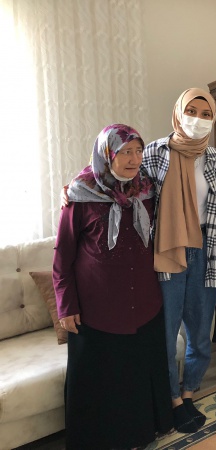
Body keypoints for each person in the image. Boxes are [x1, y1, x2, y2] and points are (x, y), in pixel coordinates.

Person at [53, 124, 173, 449]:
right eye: (125, 152)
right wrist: (66, 306)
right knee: (102, 383)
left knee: (135, 379)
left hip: (144, 305)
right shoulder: (80, 195)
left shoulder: (146, 190)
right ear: (107, 155)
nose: (134, 159)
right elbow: (62, 256)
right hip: (97, 312)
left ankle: (139, 436)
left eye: (138, 151)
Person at [143, 88, 216, 432]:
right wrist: (77, 189)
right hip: (167, 249)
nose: (198, 119)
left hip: (207, 249)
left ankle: (190, 392)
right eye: (191, 111)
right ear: (178, 113)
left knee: (199, 332)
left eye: (206, 114)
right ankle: (172, 399)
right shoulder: (155, 153)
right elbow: (130, 195)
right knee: (166, 335)